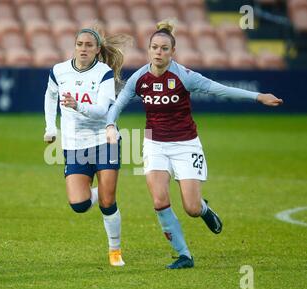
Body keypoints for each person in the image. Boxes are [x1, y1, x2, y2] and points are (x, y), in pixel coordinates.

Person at [106, 20, 283, 269]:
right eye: (154, 47)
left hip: (185, 145)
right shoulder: (139, 78)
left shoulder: (185, 76)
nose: (159, 52)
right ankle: (184, 255)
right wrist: (110, 125)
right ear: (148, 50)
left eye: (164, 48)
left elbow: (219, 89)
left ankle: (204, 209)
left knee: (190, 207)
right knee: (159, 201)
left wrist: (258, 97)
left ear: (172, 52)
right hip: (155, 145)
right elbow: (118, 104)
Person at [44, 27, 131, 267]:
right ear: (74, 45)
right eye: (80, 44)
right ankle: (100, 191)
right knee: (79, 204)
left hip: (105, 140)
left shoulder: (104, 73)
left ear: (97, 50)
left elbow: (102, 110)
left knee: (107, 203)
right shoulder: (59, 71)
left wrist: (76, 106)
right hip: (74, 145)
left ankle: (115, 251)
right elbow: (50, 96)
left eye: (89, 45)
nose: (83, 48)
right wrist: (50, 127)